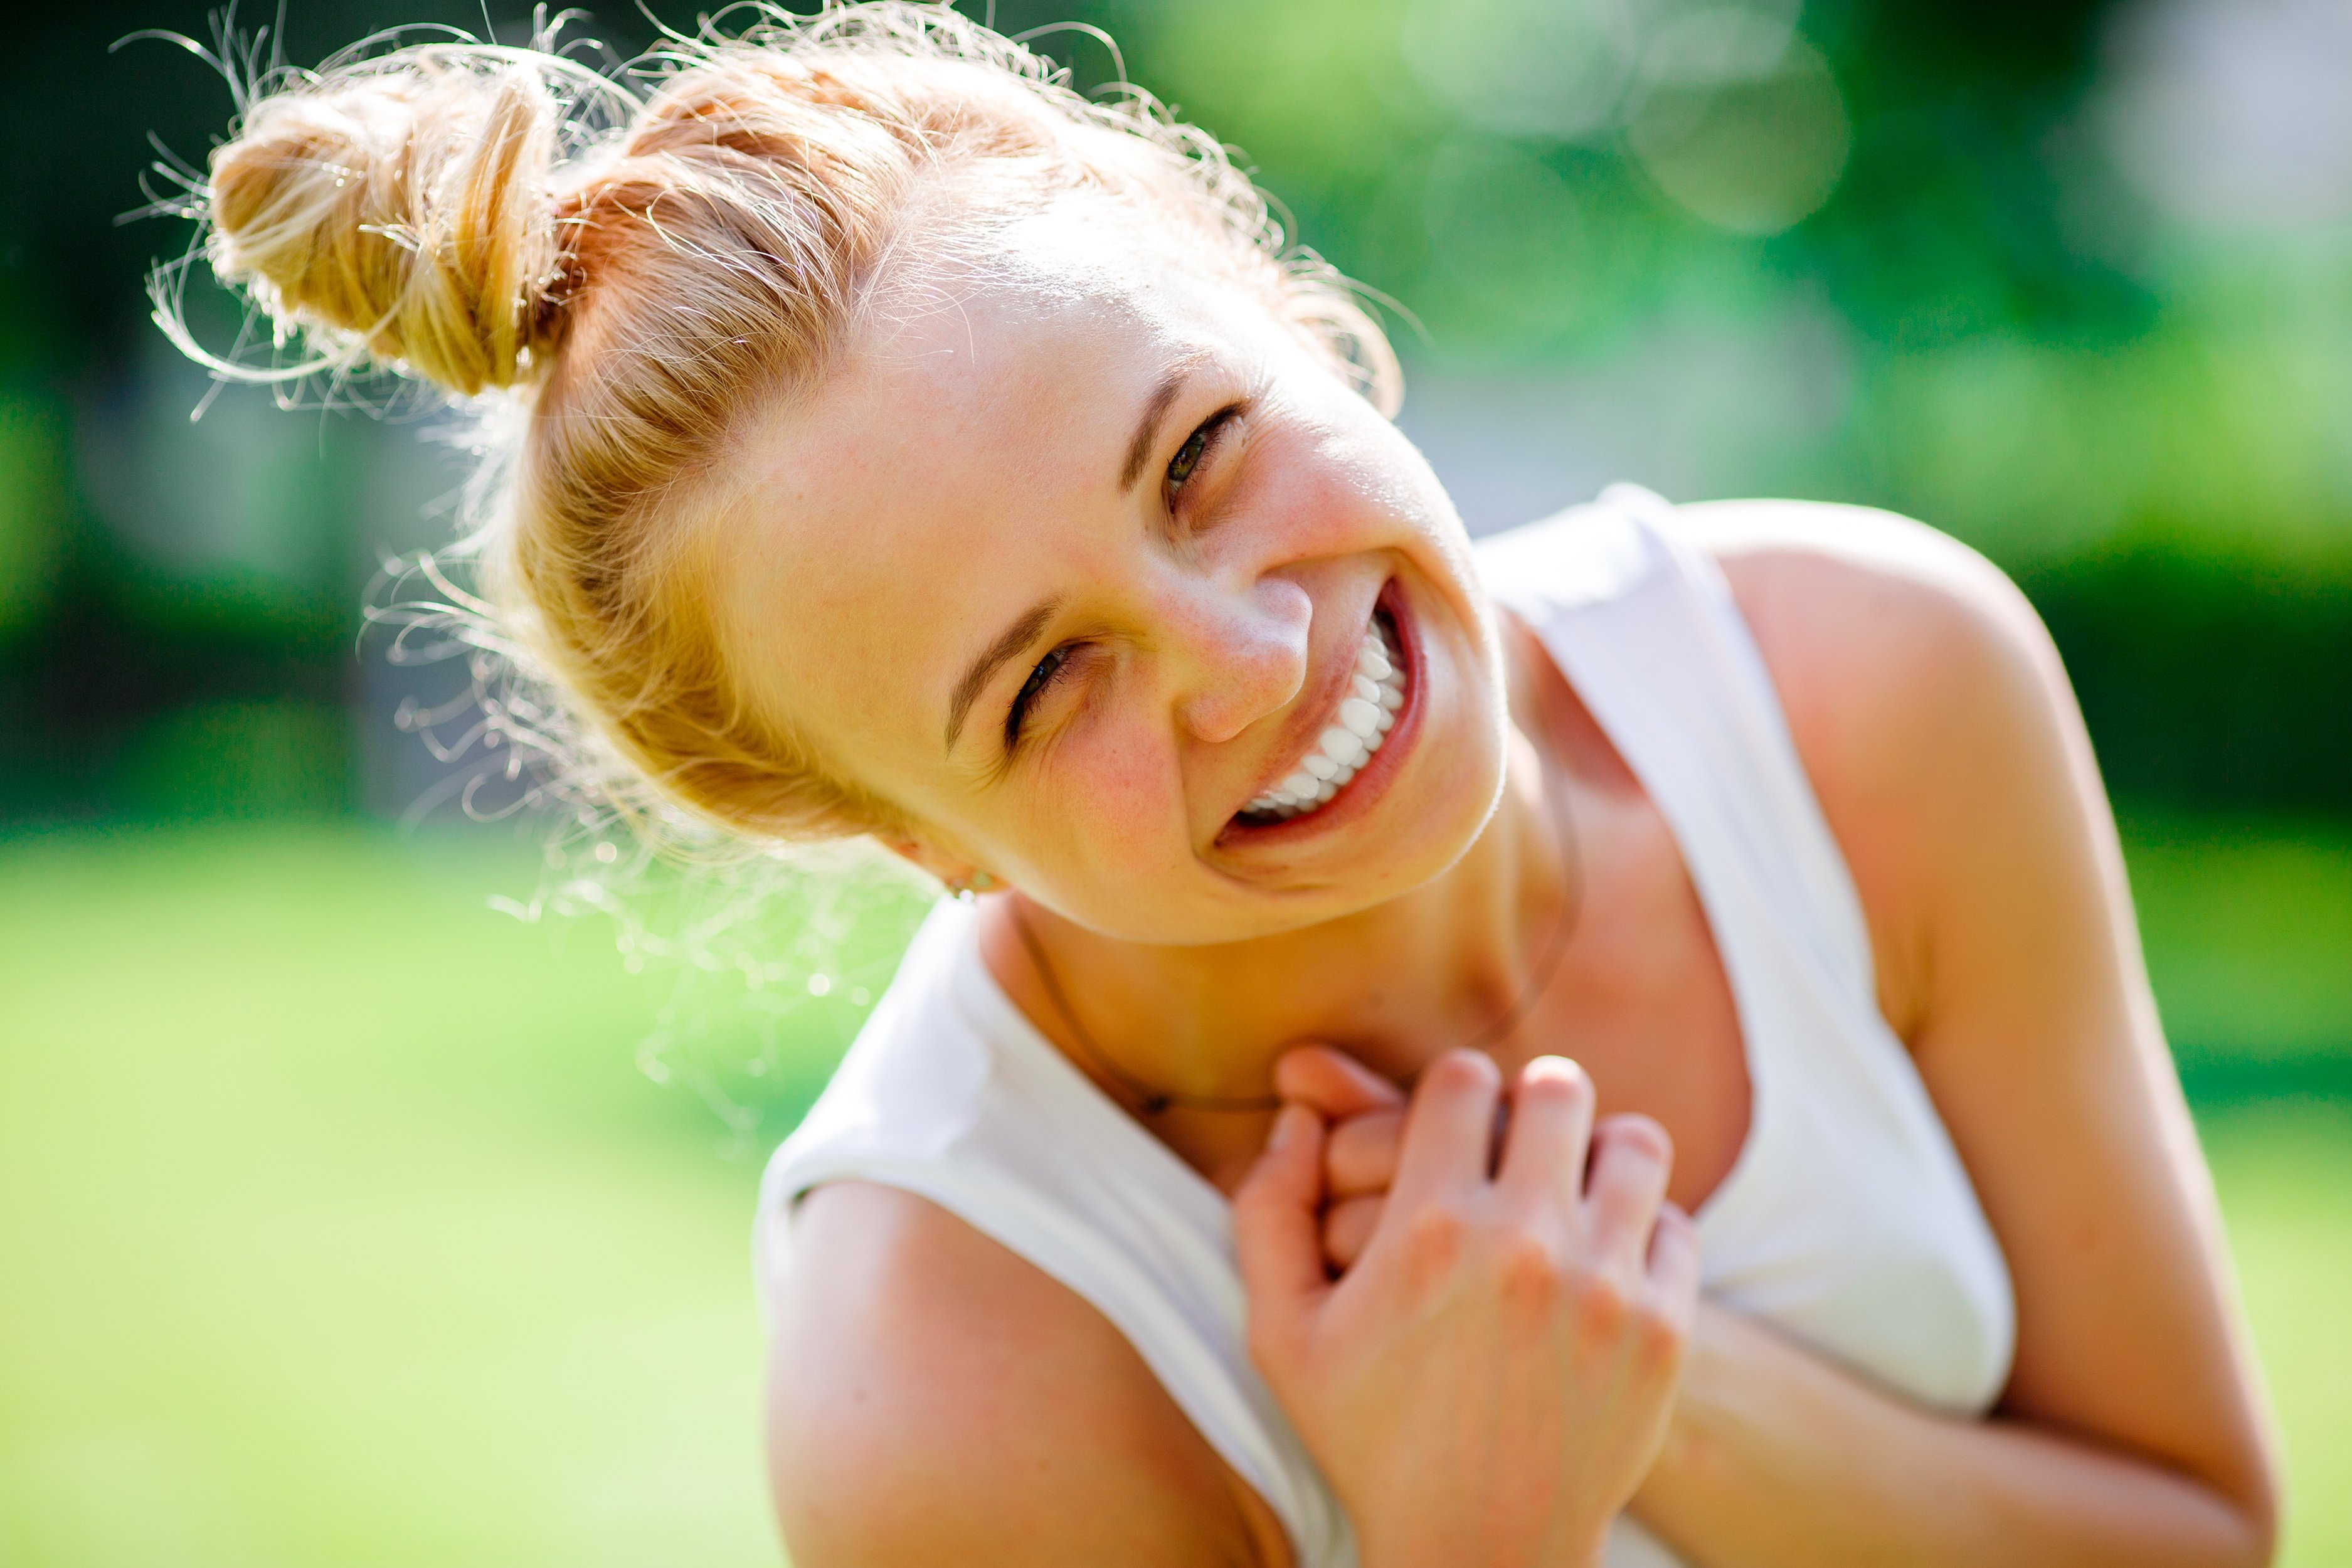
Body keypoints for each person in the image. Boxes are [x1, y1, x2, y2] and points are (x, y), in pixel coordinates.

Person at [171, 4, 2280, 1564]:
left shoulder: (1871, 690)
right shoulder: (955, 1347)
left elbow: (2195, 1526)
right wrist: (1470, 1528)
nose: (1254, 660)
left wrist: (1663, 1398)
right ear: (906, 837)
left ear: (1286, 303)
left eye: (1197, 457)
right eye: (1044, 682)